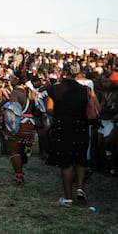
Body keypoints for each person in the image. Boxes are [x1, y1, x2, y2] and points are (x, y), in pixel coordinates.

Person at [45, 62, 90, 206]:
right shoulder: (85, 90)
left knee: (66, 163)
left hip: (63, 127)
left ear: (64, 72)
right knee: (81, 159)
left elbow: (49, 109)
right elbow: (93, 107)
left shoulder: (56, 89)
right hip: (81, 126)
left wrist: (61, 112)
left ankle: (68, 198)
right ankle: (80, 188)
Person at [2, 75, 36, 184]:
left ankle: (19, 175)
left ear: (17, 80)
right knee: (25, 148)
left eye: (11, 78)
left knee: (14, 150)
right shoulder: (29, 93)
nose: (9, 81)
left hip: (19, 124)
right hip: (30, 123)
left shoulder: (15, 93)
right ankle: (22, 167)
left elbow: (12, 111)